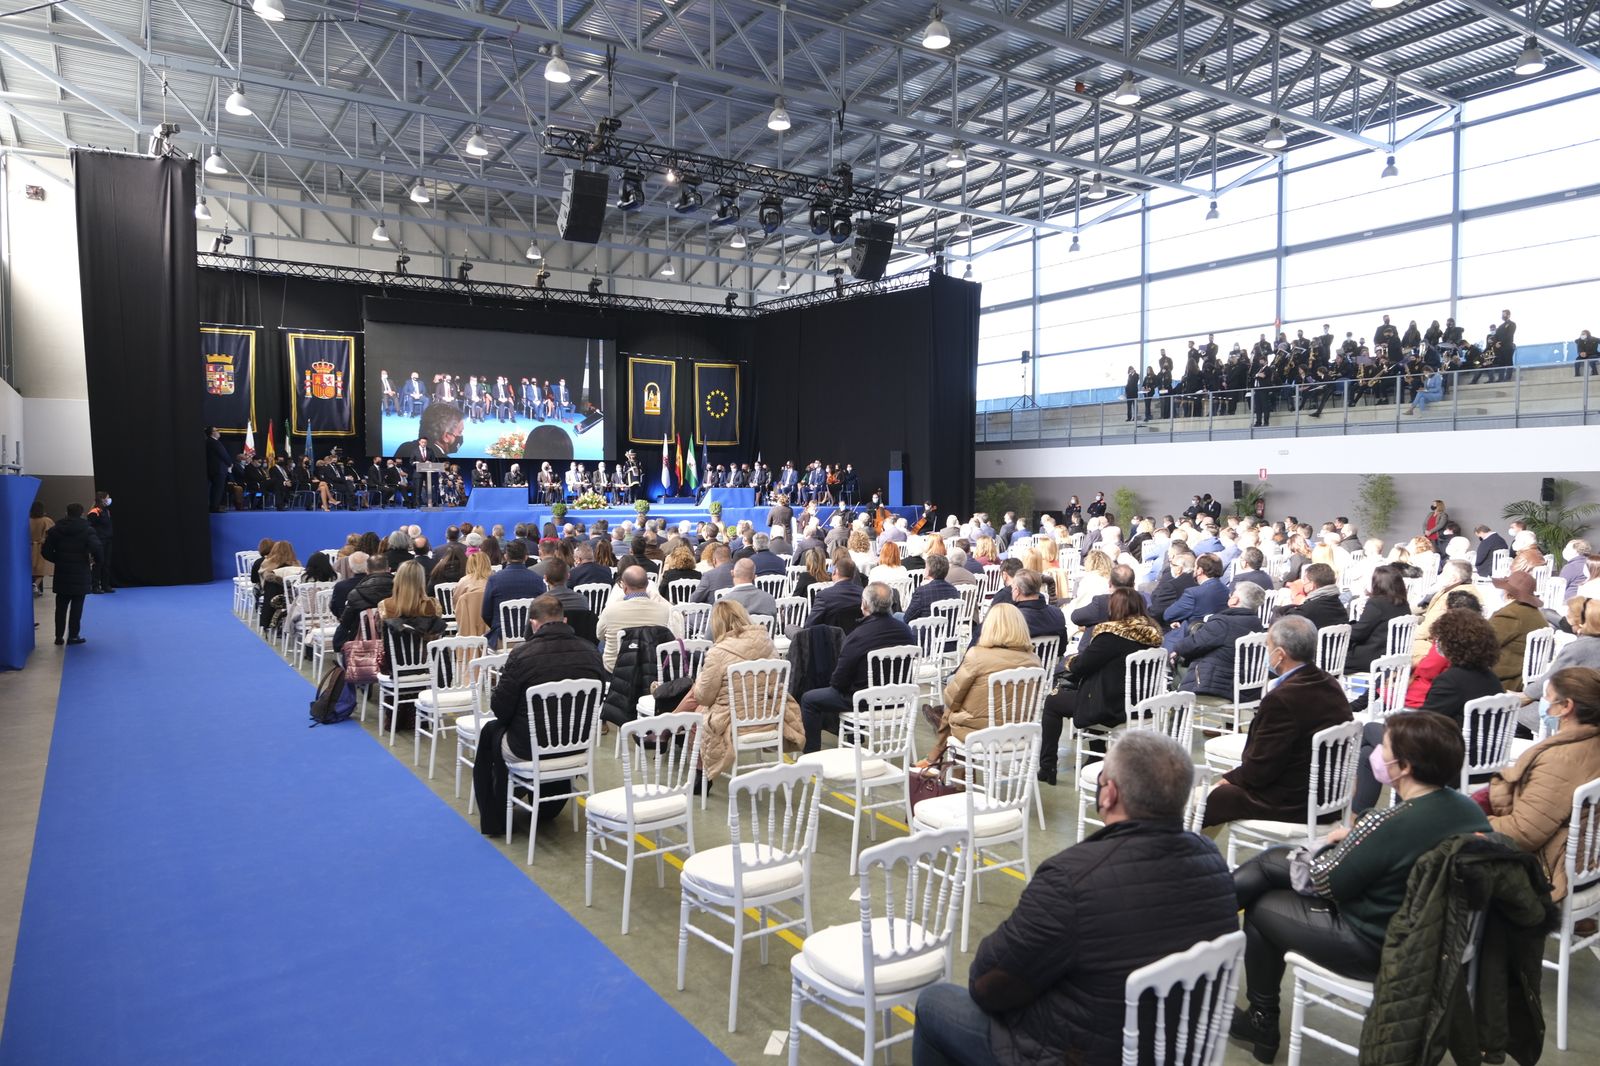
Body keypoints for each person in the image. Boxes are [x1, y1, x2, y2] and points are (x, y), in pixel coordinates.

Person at [913, 731, 1237, 1066]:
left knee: (935, 1002)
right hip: (1173, 1050)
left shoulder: (1073, 878)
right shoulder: (1212, 864)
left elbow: (985, 985)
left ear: (1109, 793)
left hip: (1079, 1053)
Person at [1229, 712, 1488, 1063]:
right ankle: (1254, 1012)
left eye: (1383, 748)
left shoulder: (1390, 822)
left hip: (1380, 945)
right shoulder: (1468, 811)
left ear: (1405, 766)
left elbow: (1328, 883)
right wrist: (1355, 840)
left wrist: (1337, 846)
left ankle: (1257, 1015)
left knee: (1263, 904)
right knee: (1273, 868)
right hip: (1435, 937)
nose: (1376, 756)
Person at [1201, 616, 1353, 830]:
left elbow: (1260, 770)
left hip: (1292, 802)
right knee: (1217, 793)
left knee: (1205, 799)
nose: (1266, 653)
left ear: (1280, 655)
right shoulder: (1329, 682)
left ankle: (1183, 858)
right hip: (1328, 794)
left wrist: (1229, 779)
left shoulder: (1283, 698)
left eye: (1267, 647)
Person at [475, 595, 608, 835]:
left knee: (490, 733)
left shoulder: (522, 655)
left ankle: (495, 817)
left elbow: (500, 709)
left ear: (534, 624)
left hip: (529, 747)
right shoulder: (591, 652)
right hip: (576, 746)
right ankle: (541, 800)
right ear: (564, 620)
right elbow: (596, 702)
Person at [1354, 607, 1505, 810]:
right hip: (1484, 762)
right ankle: (1360, 817)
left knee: (1370, 729)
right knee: (1368, 753)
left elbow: (1419, 732)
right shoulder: (1492, 679)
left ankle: (1372, 816)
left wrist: (1395, 721)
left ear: (1451, 644)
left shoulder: (1451, 681)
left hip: (1450, 763)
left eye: (1439, 641)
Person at [1487, 667, 1600, 903]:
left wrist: (1473, 823)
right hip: (1585, 862)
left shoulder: (1562, 760)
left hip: (1549, 872)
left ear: (1566, 707)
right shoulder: (1590, 744)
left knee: (1440, 845)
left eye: (1546, 696)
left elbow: (1523, 833)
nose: (1542, 703)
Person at [1037, 589, 1163, 785]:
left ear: (1114, 609)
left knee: (1053, 701)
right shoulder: (1152, 636)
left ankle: (1047, 766)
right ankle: (1095, 754)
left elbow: (1081, 666)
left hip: (1112, 708)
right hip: (1141, 705)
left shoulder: (1111, 636)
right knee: (1090, 693)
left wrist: (1070, 661)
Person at [688, 600, 805, 792]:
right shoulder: (767, 642)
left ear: (716, 624)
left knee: (698, 716)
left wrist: (700, 680)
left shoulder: (718, 652)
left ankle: (701, 777)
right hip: (770, 718)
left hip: (734, 722)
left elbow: (703, 697)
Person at [799, 583, 915, 752]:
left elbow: (839, 682)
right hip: (899, 699)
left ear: (864, 605)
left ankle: (811, 755)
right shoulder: (906, 631)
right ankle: (855, 740)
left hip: (864, 700)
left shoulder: (859, 635)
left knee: (809, 699)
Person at [921, 602, 1041, 765]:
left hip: (980, 732)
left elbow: (951, 699)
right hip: (1019, 732)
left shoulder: (977, 656)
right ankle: (938, 758)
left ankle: (938, 756)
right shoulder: (1034, 661)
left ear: (989, 626)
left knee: (951, 708)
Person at [1175, 582, 1268, 698]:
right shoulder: (1257, 624)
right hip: (1247, 689)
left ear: (1234, 600)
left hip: (1216, 687)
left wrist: (1176, 649)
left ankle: (1178, 708)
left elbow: (1192, 645)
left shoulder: (1223, 623)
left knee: (1178, 660)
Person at [39, 503, 102, 646]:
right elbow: (97, 547)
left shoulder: (56, 530)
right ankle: (73, 636)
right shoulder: (87, 530)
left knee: (60, 606)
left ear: (66, 512)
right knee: (77, 606)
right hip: (81, 571)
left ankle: (58, 636)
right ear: (82, 513)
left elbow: (46, 551)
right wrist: (93, 559)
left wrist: (58, 560)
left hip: (62, 573)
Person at [595, 565, 679, 669]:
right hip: (651, 669)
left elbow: (599, 635)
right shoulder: (664, 610)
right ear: (647, 584)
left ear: (624, 587)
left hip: (614, 669)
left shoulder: (609, 611)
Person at [1489, 571, 1550, 691]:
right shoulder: (1536, 613)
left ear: (1508, 592)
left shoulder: (1510, 614)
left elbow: (1482, 643)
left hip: (1504, 679)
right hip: (1521, 675)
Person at [1345, 564, 1411, 673]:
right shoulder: (1404, 604)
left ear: (1377, 584)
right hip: (1392, 655)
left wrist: (1346, 628)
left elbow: (1358, 634)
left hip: (1373, 657)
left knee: (1330, 659)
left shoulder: (1376, 603)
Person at [480, 539, 546, 647]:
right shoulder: (538, 580)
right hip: (532, 638)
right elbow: (543, 609)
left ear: (506, 557)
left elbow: (486, 613)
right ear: (526, 557)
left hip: (501, 637)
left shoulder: (494, 580)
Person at [1161, 553, 1229, 652]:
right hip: (1217, 637)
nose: (1193, 569)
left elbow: (1168, 615)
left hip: (1193, 640)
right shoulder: (1226, 590)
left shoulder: (1193, 593)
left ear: (1200, 571)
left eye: (1195, 567)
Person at [1274, 562, 1344, 629]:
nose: (1303, 583)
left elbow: (1283, 626)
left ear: (1312, 585)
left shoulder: (1309, 609)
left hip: (1314, 641)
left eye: (1305, 580)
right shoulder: (1339, 605)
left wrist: (1277, 610)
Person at [903, 554, 959, 623]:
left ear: (929, 570)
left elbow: (907, 618)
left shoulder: (921, 592)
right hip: (947, 632)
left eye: (926, 568)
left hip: (924, 631)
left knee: (897, 615)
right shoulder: (954, 591)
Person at [86, 490, 114, 593]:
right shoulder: (94, 512)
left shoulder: (106, 511)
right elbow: (90, 527)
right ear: (102, 499)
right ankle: (95, 586)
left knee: (107, 563)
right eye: (107, 497)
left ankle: (105, 585)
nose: (109, 499)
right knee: (98, 563)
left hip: (108, 540)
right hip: (98, 541)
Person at [29, 500, 54, 597]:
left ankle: (35, 586)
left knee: (31, 568)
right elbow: (51, 533)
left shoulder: (27, 520)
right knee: (42, 569)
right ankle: (36, 584)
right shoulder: (46, 520)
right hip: (41, 547)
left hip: (29, 546)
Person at [205, 427, 233, 512]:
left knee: (214, 489)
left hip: (212, 469)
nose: (218, 432)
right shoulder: (215, 442)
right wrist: (230, 463)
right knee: (218, 489)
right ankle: (214, 507)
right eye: (216, 430)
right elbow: (223, 454)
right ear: (211, 433)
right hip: (218, 469)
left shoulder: (207, 442)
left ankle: (213, 506)